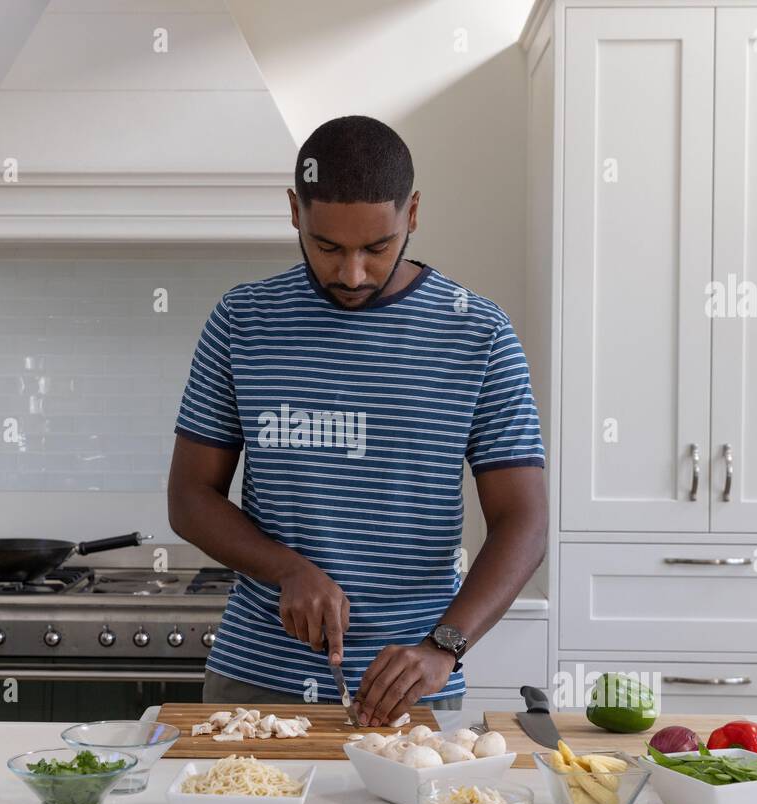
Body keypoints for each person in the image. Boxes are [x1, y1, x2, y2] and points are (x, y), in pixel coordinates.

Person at [167, 115, 546, 726]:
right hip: (256, 681)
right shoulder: (242, 321)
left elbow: (524, 519)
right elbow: (189, 497)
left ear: (413, 213)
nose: (352, 274)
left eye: (376, 247)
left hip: (412, 688)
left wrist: (444, 646)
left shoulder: (478, 332)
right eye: (327, 247)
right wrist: (286, 568)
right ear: (295, 211)